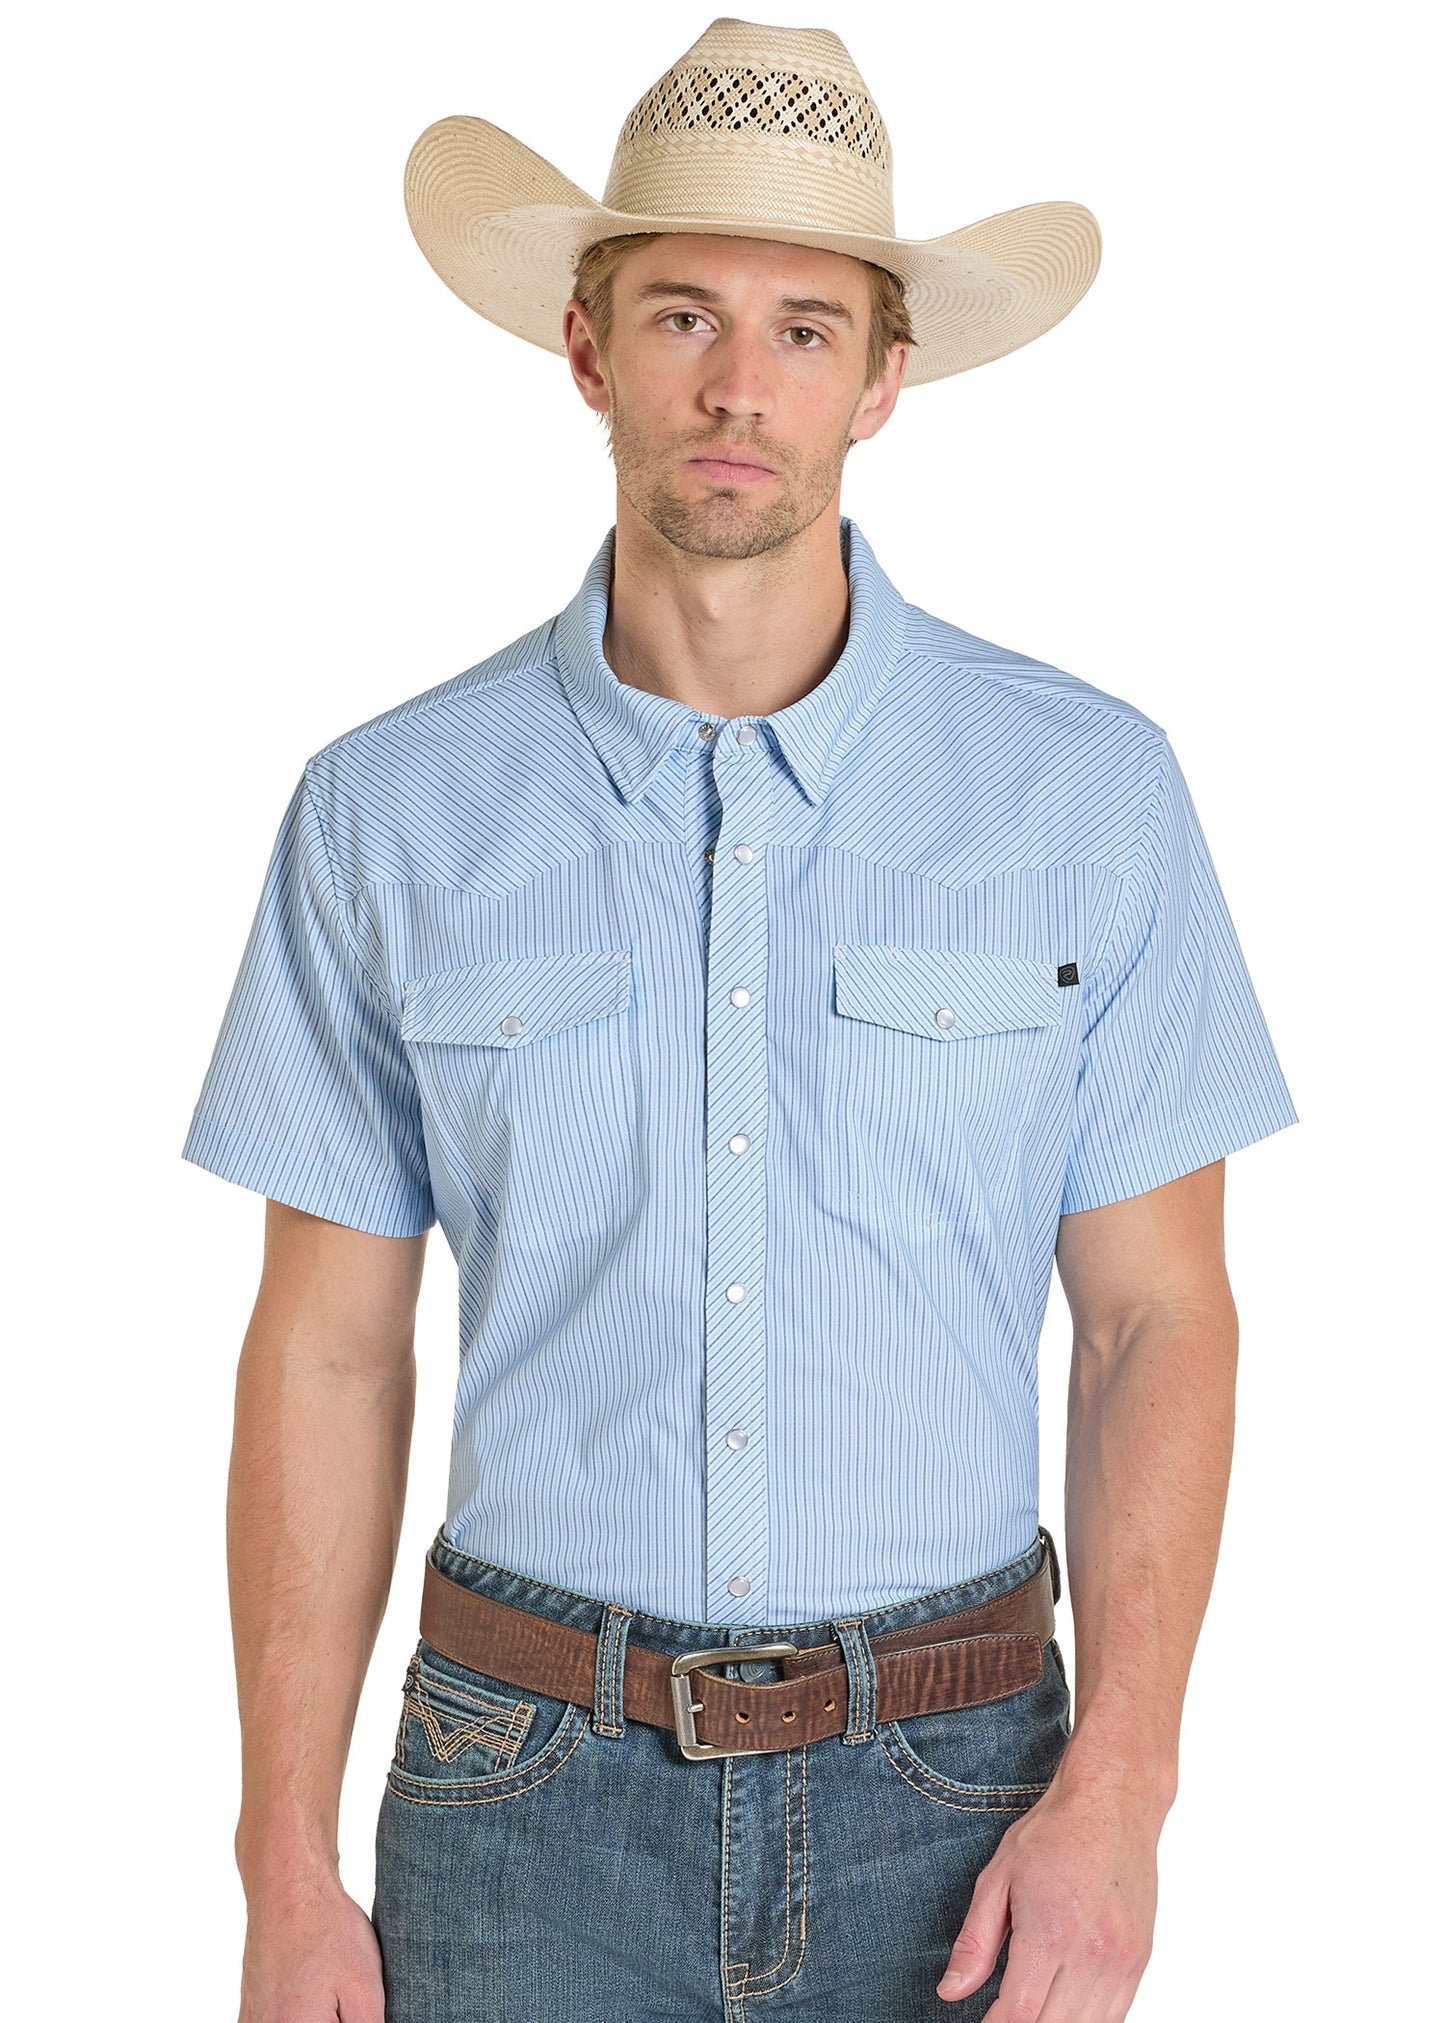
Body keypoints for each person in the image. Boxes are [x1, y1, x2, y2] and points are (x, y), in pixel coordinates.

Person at [182, 19, 1299, 2022]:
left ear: (886, 380)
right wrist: (281, 1860)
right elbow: (329, 1351)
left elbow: (1161, 1319)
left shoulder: (1090, 795)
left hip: (959, 1791)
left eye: (804, 328)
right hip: (517, 1794)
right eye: (683, 310)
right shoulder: (385, 811)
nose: (735, 384)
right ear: (587, 347)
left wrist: (1123, 1785)